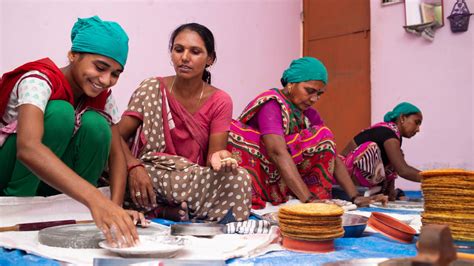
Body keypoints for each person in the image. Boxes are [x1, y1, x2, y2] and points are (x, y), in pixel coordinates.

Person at [0, 16, 146, 248]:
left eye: (115, 74)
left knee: (97, 126)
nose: (106, 80)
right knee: (60, 113)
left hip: (55, 184)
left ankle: (79, 209)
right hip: (10, 176)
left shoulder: (103, 98)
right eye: (100, 67)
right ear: (72, 55)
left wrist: (114, 207)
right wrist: (96, 198)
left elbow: (117, 153)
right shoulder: (38, 80)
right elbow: (27, 148)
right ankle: (18, 205)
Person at [118, 23, 252, 222]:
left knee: (238, 180)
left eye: (195, 51)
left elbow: (212, 159)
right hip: (149, 175)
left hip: (189, 181)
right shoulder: (152, 88)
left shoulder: (220, 100)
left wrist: (221, 159)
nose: (185, 57)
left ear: (210, 59)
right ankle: (167, 210)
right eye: (178, 50)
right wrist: (133, 167)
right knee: (119, 172)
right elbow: (115, 135)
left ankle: (161, 210)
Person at [228, 57, 386, 209]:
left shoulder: (309, 114)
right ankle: (287, 194)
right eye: (309, 91)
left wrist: (355, 196)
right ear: (291, 84)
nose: (314, 98)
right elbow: (276, 152)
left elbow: (331, 152)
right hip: (260, 175)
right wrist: (308, 200)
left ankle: (302, 194)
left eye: (319, 94)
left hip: (282, 178)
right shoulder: (272, 104)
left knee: (324, 136)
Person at [340, 102, 423, 200]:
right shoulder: (388, 134)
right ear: (402, 118)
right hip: (342, 179)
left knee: (397, 155)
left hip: (357, 179)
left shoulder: (394, 136)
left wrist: (390, 191)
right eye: (416, 122)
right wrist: (432, 179)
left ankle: (380, 191)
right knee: (371, 148)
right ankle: (358, 192)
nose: (418, 129)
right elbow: (403, 170)